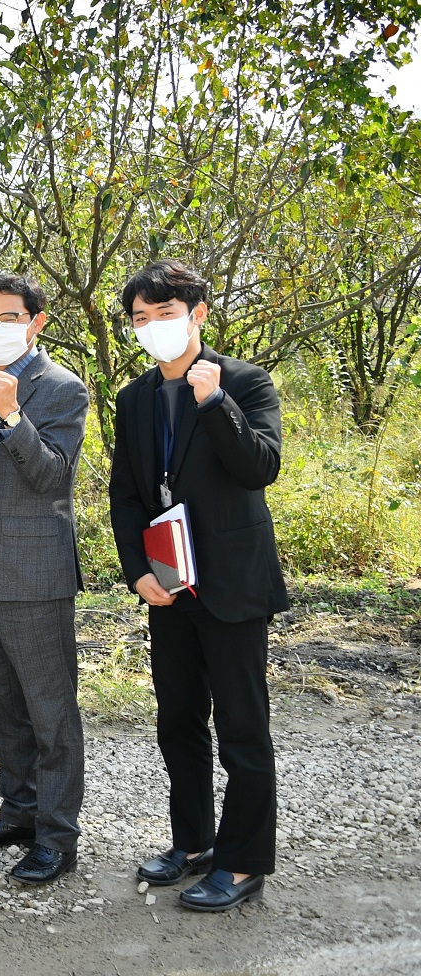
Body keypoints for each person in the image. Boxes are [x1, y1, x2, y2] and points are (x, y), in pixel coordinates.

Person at [109, 260, 286, 913]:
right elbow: (126, 492)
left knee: (243, 728)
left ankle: (242, 864)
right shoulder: (134, 398)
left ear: (199, 313)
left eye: (166, 312)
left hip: (234, 585)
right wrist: (137, 571)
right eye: (141, 317)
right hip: (169, 583)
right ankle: (193, 843)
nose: (153, 326)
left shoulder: (244, 380)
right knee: (178, 720)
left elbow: (259, 465)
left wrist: (215, 403)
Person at [0, 273, 90, 885]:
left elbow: (52, 476)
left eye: (9, 317)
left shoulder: (60, 389)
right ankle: (19, 811)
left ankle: (58, 838)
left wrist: (11, 416)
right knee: (4, 705)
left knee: (51, 710)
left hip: (35, 575)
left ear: (35, 322)